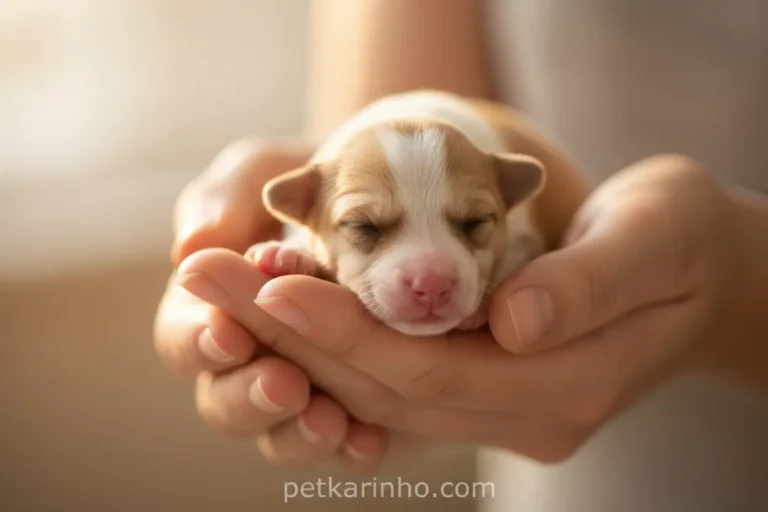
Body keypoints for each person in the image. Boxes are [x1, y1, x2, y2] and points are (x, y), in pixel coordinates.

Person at [154, 1, 768, 510]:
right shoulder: (327, 192)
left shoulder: (523, 209)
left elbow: (536, 244)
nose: (427, 274)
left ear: (507, 198)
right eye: (369, 228)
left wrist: (741, 289)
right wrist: (313, 324)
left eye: (472, 224)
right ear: (304, 203)